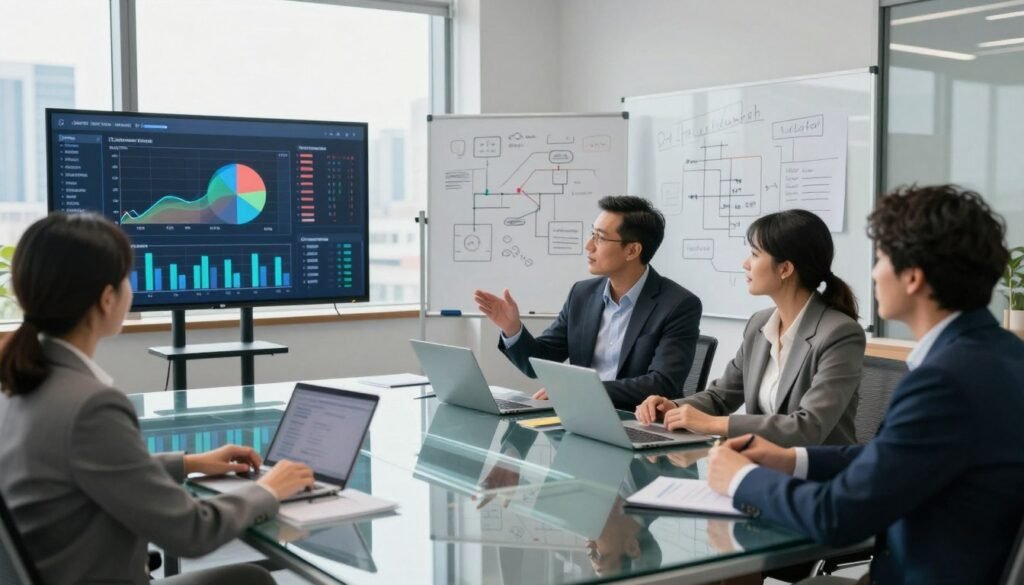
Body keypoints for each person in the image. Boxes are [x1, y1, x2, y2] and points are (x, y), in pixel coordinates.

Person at [707, 185, 1024, 584]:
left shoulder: (944, 382)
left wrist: (741, 479)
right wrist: (792, 460)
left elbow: (837, 516)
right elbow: (892, 458)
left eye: (880, 259)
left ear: (912, 277)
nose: (873, 273)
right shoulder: (999, 356)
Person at [0, 213, 316, 585]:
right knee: (251, 580)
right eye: (127, 279)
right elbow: (192, 533)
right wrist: (267, 490)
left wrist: (189, 462)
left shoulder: (20, 382)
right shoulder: (90, 406)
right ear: (107, 298)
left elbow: (84, 467)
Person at [635, 209, 865, 447]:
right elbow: (720, 397)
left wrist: (714, 424)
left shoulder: (840, 334)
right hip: (762, 462)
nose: (745, 263)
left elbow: (808, 427)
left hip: (816, 471)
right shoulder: (760, 324)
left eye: (755, 254)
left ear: (785, 269)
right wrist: (673, 407)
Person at [474, 196, 702, 409]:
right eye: (592, 234)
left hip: (635, 422)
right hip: (580, 417)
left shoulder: (678, 304)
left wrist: (578, 390)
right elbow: (540, 363)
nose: (588, 245)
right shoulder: (582, 294)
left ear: (632, 250)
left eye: (600, 238)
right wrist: (512, 328)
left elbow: (662, 384)